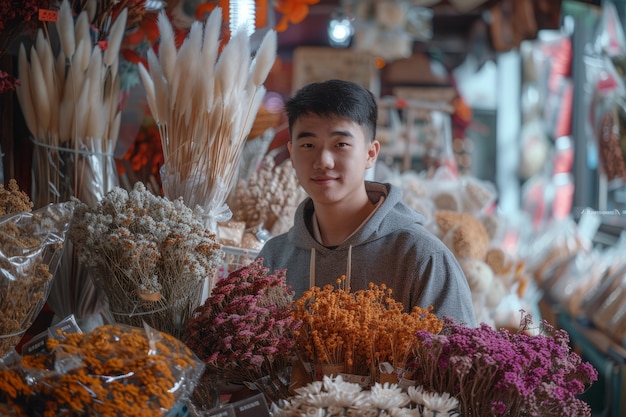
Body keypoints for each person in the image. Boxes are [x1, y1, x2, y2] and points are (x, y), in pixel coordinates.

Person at [257, 79, 477, 327]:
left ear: (370, 154)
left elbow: (457, 359)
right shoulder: (274, 259)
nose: (324, 161)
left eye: (341, 144)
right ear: (292, 153)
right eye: (308, 145)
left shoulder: (422, 257)